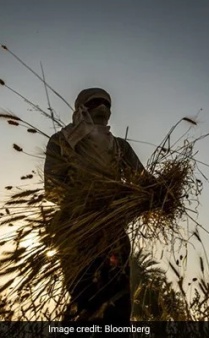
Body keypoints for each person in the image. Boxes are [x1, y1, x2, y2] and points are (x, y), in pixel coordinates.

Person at [44, 88, 147, 323]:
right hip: (76, 232)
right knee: (85, 302)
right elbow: (52, 189)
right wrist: (87, 202)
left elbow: (142, 182)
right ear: (81, 108)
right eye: (94, 103)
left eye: (106, 104)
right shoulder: (62, 142)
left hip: (112, 235)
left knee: (118, 307)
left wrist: (159, 192)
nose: (102, 108)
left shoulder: (120, 147)